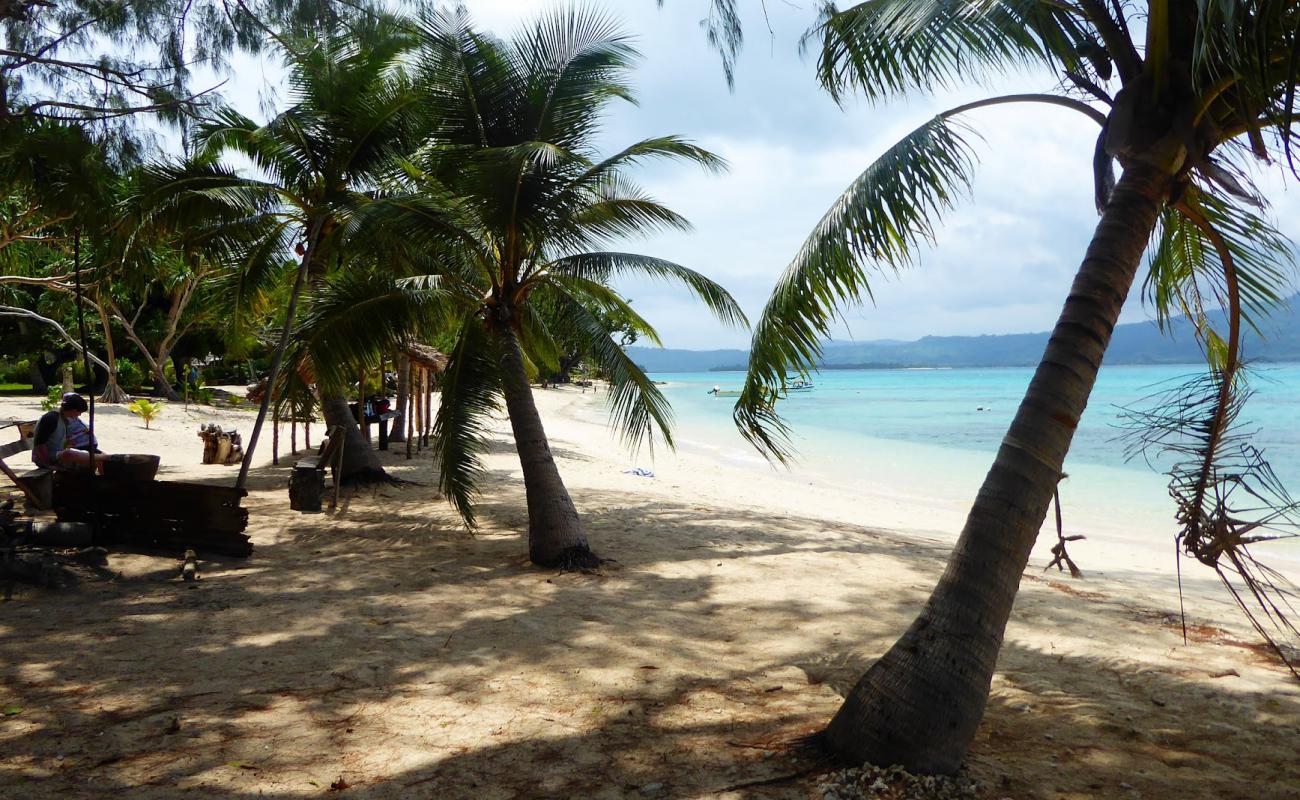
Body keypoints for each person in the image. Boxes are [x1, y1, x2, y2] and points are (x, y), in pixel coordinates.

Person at [32, 393, 110, 472]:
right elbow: (39, 444)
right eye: (79, 412)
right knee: (70, 454)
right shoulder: (51, 418)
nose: (79, 415)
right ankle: (107, 457)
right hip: (45, 457)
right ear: (73, 410)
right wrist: (48, 464)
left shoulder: (64, 419)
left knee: (95, 459)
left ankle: (105, 461)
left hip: (58, 453)